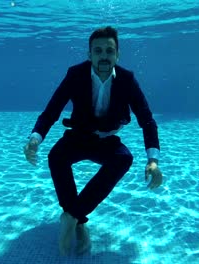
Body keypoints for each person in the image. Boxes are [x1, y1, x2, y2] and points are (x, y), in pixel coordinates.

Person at [23, 26, 163, 256]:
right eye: (98, 51)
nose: (104, 56)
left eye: (109, 51)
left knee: (123, 159)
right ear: (89, 55)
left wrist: (153, 160)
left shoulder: (127, 80)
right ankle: (78, 220)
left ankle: (71, 216)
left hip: (107, 141)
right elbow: (51, 111)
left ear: (117, 55)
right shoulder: (75, 74)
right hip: (78, 136)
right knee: (56, 157)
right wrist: (35, 139)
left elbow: (147, 120)